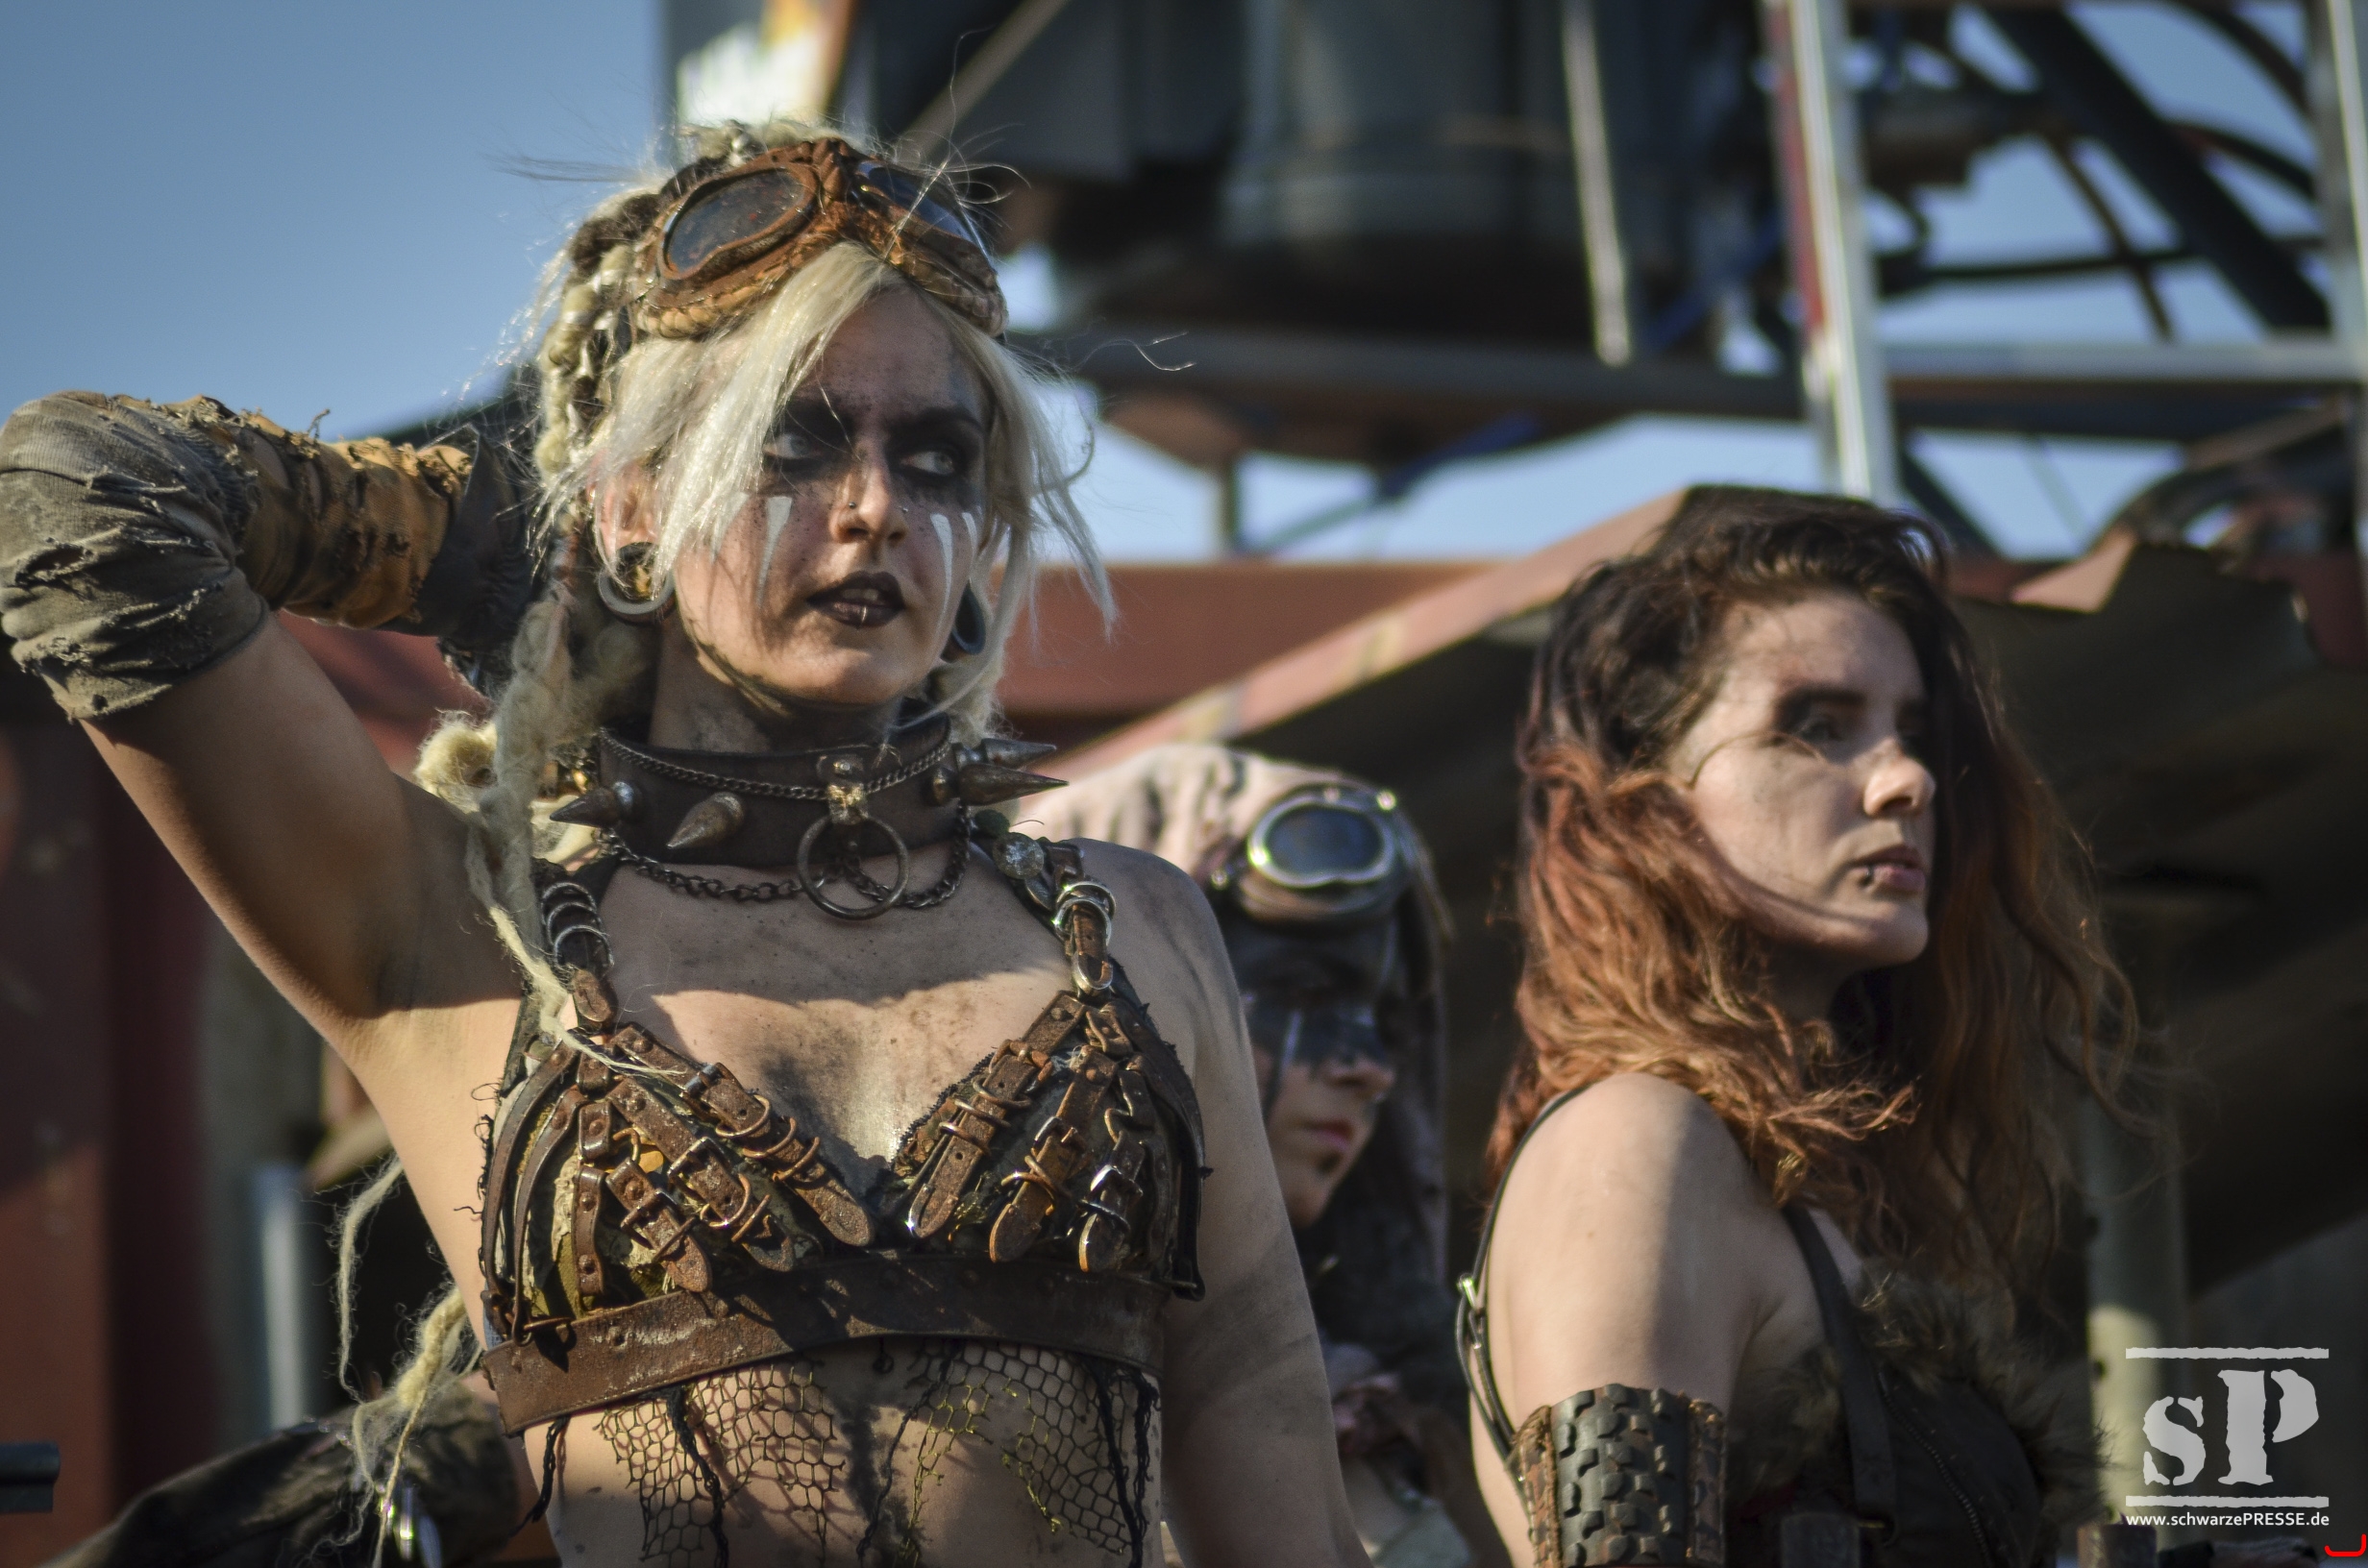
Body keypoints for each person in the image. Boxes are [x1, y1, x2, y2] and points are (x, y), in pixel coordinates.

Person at [0, 123, 1364, 1568]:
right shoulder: (461, 934)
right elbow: (69, 494)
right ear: (635, 501)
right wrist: (507, 537)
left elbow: (1266, 1445)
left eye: (936, 457)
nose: (876, 508)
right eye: (794, 440)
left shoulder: (1135, 932)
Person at [1455, 488, 2131, 1568]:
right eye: (1816, 727)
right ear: (1648, 800)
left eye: (1912, 734)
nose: (1907, 780)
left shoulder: (1801, 1181)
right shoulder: (1634, 1144)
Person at [1033, 743, 1508, 1568]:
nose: (1369, 1067)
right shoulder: (985, 1403)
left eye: (1382, 1021)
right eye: (1306, 994)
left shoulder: (1414, 1420)